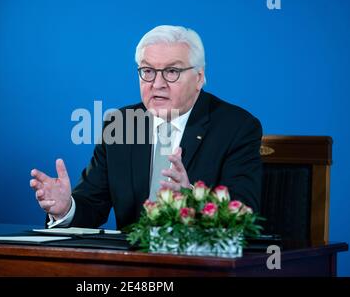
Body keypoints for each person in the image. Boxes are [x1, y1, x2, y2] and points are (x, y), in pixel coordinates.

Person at [30, 25, 262, 230]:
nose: (157, 84)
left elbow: (243, 212)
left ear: (199, 77)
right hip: (132, 267)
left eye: (172, 72)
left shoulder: (237, 127)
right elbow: (92, 205)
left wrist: (192, 199)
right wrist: (65, 208)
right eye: (148, 71)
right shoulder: (121, 124)